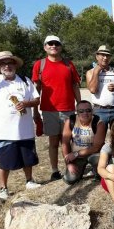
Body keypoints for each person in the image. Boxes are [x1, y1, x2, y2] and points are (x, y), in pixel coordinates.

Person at [31, 35, 81, 181]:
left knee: (68, 140)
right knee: (53, 141)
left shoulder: (68, 64)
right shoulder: (39, 65)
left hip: (68, 109)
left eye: (56, 43)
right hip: (48, 110)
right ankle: (54, 170)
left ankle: (70, 167)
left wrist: (81, 105)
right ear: (45, 47)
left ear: (60, 46)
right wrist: (35, 111)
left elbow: (75, 86)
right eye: (50, 43)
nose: (54, 46)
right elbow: (36, 90)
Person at [0, 51, 41, 201]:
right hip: (4, 130)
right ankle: (3, 188)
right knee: (4, 162)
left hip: (24, 129)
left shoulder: (25, 81)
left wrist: (26, 103)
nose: (7, 66)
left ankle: (29, 180)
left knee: (28, 158)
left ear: (15, 64)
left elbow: (37, 100)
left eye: (10, 62)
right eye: (3, 63)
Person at [61, 100, 106, 184]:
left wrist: (76, 154)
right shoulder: (70, 121)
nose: (85, 113)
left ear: (92, 111)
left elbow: (96, 147)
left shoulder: (99, 123)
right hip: (77, 157)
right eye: (81, 111)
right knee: (70, 179)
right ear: (76, 112)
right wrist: (68, 163)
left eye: (88, 110)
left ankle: (97, 171)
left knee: (100, 170)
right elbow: (65, 143)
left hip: (93, 154)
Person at [86, 45, 114, 131]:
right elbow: (93, 90)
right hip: (99, 110)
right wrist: (96, 72)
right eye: (102, 55)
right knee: (98, 139)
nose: (105, 58)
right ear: (97, 56)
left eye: (107, 55)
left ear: (110, 58)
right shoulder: (90, 72)